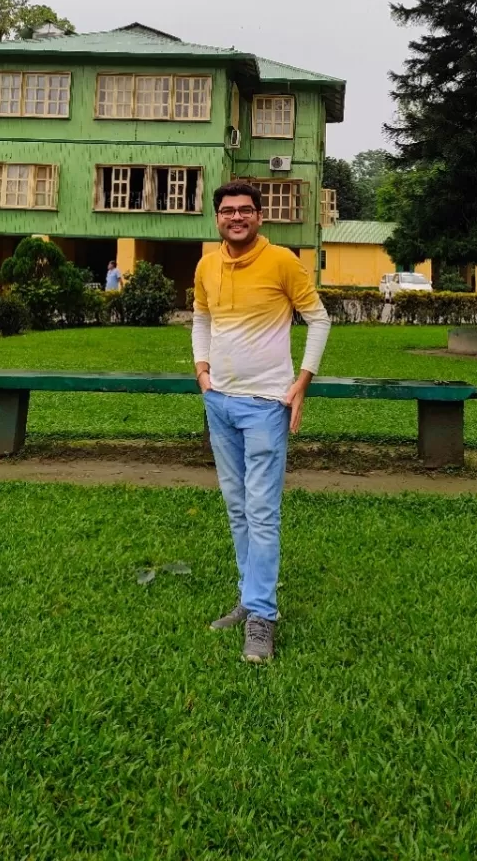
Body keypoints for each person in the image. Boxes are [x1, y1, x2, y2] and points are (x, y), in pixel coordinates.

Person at [192, 180, 331, 663]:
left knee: (263, 511)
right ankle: (248, 597)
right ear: (217, 218)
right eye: (228, 210)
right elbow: (201, 318)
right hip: (220, 403)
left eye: (246, 210)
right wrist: (202, 371)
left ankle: (262, 617)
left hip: (267, 404)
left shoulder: (283, 262)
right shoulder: (207, 265)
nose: (237, 217)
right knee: (236, 508)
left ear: (259, 217)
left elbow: (319, 319)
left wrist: (302, 382)